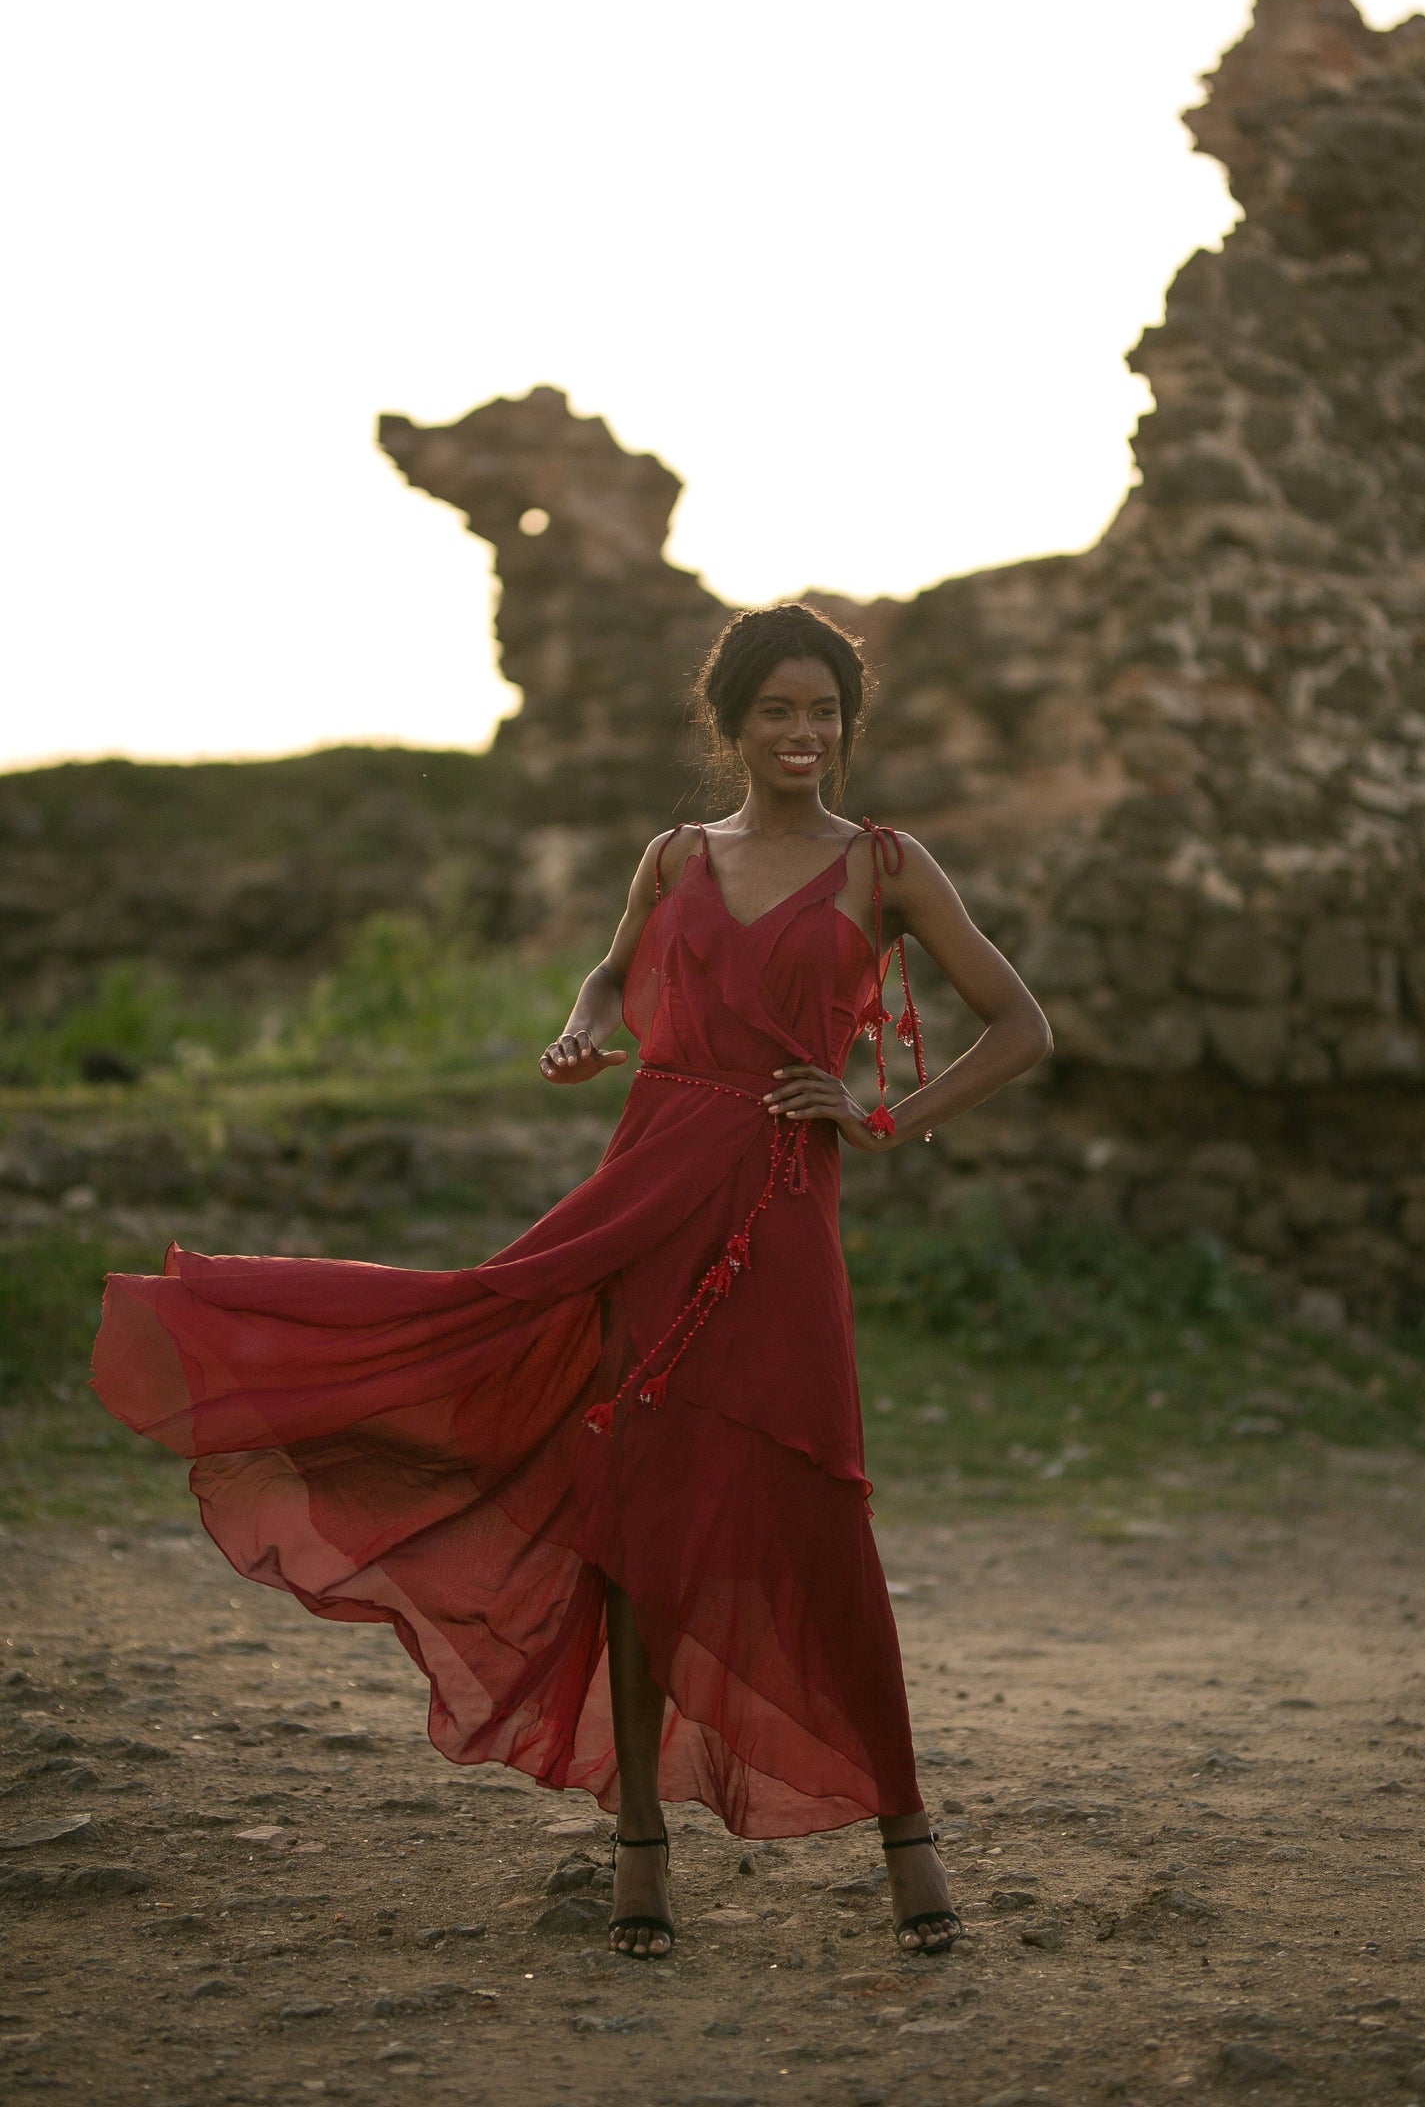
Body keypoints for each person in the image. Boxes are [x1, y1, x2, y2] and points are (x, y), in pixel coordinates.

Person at [90, 602, 1052, 1962]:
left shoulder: (886, 866)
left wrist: (882, 1114)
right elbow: (607, 977)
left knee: (816, 1508)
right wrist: (577, 1026)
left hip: (779, 1211)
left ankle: (906, 1833)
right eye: (775, 710)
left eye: (822, 710)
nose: (802, 733)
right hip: (647, 1184)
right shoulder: (671, 859)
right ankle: (640, 1845)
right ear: (732, 725)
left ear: (847, 722)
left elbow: (1021, 1025)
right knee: (636, 1511)